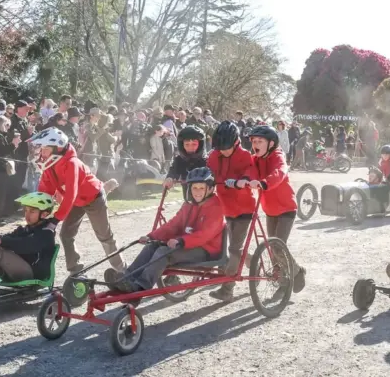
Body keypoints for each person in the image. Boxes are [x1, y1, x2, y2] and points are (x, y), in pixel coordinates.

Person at [109, 168, 224, 293]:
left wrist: (181, 240)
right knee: (151, 247)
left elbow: (205, 235)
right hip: (187, 244)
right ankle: (127, 278)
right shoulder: (189, 204)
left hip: (205, 250)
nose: (197, 192)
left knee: (164, 252)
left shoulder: (216, 207)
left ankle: (140, 287)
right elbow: (173, 225)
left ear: (211, 189)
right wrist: (152, 236)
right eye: (194, 188)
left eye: (202, 188)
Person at [31, 128, 125, 274]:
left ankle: (122, 269)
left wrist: (55, 219)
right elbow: (44, 191)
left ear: (58, 148)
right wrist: (38, 212)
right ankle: (76, 269)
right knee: (66, 234)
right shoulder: (49, 166)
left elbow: (71, 194)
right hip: (77, 201)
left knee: (104, 235)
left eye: (45, 149)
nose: (42, 153)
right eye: (41, 149)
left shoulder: (72, 163)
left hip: (94, 198)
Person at [242, 125, 305, 292]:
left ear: (270, 143)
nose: (255, 144)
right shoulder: (254, 159)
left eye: (259, 141)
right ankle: (283, 281)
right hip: (270, 209)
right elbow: (250, 172)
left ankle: (297, 270)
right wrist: (246, 180)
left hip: (286, 208)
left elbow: (280, 172)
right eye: (254, 141)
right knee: (272, 247)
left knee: (277, 246)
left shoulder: (278, 156)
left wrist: (264, 182)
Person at [207, 121, 258, 302]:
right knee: (235, 249)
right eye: (220, 148)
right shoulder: (214, 155)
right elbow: (208, 171)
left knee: (234, 248)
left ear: (236, 142)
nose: (223, 151)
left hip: (244, 208)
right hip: (226, 207)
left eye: (226, 148)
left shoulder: (244, 155)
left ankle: (227, 289)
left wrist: (243, 180)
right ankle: (254, 263)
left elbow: (251, 171)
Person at [164, 126, 207, 196]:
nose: (190, 147)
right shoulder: (180, 160)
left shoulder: (207, 161)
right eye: (187, 144)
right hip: (188, 201)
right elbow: (174, 170)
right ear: (182, 145)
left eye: (194, 144)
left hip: (206, 201)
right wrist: (169, 178)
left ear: (200, 145)